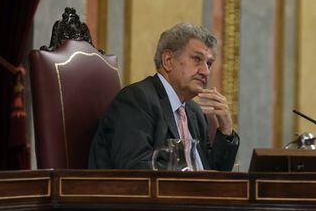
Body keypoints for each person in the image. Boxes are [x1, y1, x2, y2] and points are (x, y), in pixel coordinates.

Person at [88, 23, 239, 170]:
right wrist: (188, 175)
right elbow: (136, 169)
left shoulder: (194, 111)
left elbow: (215, 175)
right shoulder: (136, 100)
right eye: (197, 59)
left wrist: (226, 131)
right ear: (168, 60)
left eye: (209, 63)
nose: (205, 71)